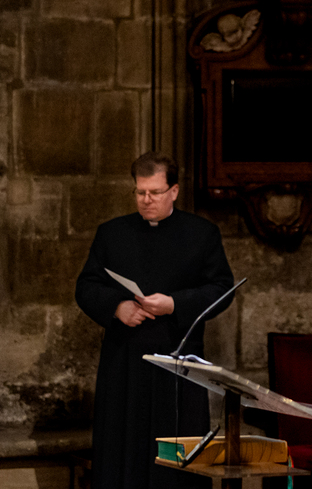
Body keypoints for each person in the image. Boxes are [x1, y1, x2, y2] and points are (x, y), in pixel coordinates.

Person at [75, 151, 235, 489]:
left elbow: (222, 289)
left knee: (176, 460)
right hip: (125, 362)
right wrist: (117, 307)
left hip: (179, 361)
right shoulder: (112, 233)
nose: (146, 200)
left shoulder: (202, 233)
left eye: (155, 192)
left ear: (174, 191)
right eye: (140, 192)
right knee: (123, 452)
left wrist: (174, 304)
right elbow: (86, 286)